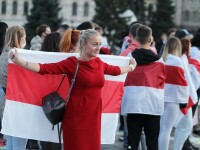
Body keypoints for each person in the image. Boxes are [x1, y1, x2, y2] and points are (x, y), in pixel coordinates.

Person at [9, 29, 137, 150]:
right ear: (83, 44)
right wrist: (20, 62)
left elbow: (116, 71)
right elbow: (45, 69)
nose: (99, 48)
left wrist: (131, 67)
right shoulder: (72, 63)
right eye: (94, 44)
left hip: (94, 115)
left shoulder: (98, 62)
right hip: (75, 115)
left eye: (100, 44)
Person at [121, 25, 166, 150]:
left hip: (132, 104)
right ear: (150, 39)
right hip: (153, 105)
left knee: (132, 142)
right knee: (152, 143)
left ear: (136, 39)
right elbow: (163, 83)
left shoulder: (128, 59)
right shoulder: (159, 61)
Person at [158, 37, 189, 150]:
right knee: (167, 130)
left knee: (161, 129)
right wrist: (184, 100)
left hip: (160, 97)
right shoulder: (178, 61)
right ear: (177, 47)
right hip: (173, 99)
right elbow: (183, 82)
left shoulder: (161, 60)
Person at [0, 26, 27, 150]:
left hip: (6, 99)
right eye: (25, 37)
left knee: (10, 140)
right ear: (20, 38)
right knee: (18, 141)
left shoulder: (4, 53)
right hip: (17, 100)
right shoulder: (18, 55)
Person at [40, 31, 62, 150]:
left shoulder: (40, 58)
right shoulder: (63, 59)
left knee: (44, 134)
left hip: (43, 100)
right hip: (58, 101)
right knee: (54, 135)